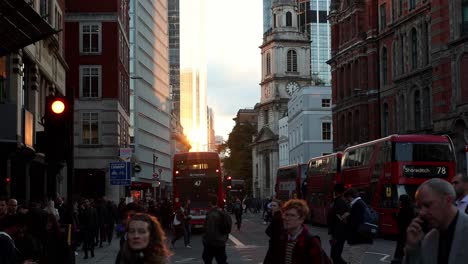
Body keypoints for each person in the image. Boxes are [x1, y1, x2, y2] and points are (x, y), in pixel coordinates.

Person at [404, 178, 468, 264]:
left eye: (427, 205)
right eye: (419, 207)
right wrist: (412, 248)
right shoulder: (428, 239)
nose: (421, 213)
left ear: (448, 200)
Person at [276, 199, 331, 264]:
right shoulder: (281, 238)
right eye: (286, 215)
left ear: (301, 219)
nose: (287, 218)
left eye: (292, 215)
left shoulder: (311, 241)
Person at [342, 188, 373, 264]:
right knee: (348, 258)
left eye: (346, 199)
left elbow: (354, 223)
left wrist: (346, 218)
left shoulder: (357, 205)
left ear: (349, 196)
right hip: (361, 239)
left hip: (359, 240)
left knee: (354, 261)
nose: (347, 202)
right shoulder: (361, 203)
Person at [202, 196, 232, 264]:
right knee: (222, 261)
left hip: (212, 243)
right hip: (221, 242)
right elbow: (228, 227)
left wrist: (205, 240)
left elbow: (209, 231)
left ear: (210, 203)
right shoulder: (223, 212)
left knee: (207, 259)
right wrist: (224, 238)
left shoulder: (211, 215)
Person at [391, 194, 415, 264]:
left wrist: (395, 214)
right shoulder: (411, 209)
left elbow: (399, 222)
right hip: (407, 234)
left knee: (400, 251)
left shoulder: (403, 210)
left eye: (399, 200)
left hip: (402, 234)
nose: (398, 202)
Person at [328, 184, 349, 264]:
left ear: (335, 191)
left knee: (335, 256)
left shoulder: (339, 201)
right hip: (337, 233)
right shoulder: (338, 200)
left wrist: (335, 236)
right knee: (334, 256)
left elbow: (340, 219)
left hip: (338, 234)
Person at [263, 199, 283, 264]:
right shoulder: (275, 216)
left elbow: (268, 231)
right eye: (271, 205)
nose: (272, 207)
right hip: (275, 244)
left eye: (274, 206)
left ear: (279, 207)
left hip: (275, 245)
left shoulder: (277, 218)